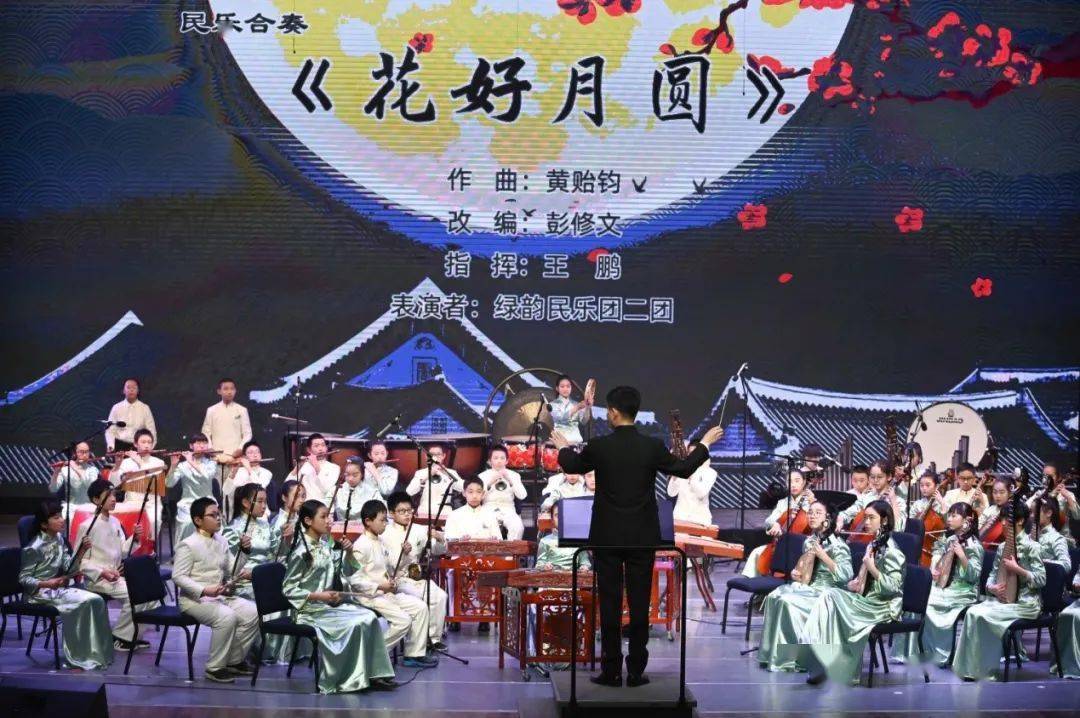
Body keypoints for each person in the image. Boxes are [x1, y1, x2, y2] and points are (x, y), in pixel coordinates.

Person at [552, 384, 724, 688]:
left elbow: (573, 465)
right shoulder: (651, 446)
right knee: (640, 604)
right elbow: (684, 468)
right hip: (642, 537)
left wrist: (563, 446)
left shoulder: (600, 446)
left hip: (607, 537)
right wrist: (705, 444)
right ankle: (635, 671)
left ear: (613, 412)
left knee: (609, 605)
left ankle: (611, 671)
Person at [282, 499, 396, 693]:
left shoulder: (325, 545)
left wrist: (349, 553)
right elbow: (288, 589)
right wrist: (320, 596)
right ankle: (347, 679)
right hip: (308, 612)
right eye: (323, 517)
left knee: (369, 617)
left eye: (329, 516)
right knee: (355, 623)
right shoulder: (301, 551)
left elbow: (344, 571)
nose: (329, 521)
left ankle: (373, 674)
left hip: (327, 607)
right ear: (308, 521)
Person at [800, 499, 906, 685]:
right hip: (867, 600)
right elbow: (862, 582)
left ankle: (816, 655)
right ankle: (819, 657)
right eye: (865, 518)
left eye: (871, 518)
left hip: (883, 607)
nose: (866, 522)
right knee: (830, 595)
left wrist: (872, 568)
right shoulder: (873, 544)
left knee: (830, 596)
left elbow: (894, 588)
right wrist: (855, 584)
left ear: (884, 520)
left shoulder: (892, 551)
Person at [953, 501, 1045, 680]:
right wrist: (991, 587)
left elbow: (1041, 579)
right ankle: (970, 669)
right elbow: (992, 575)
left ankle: (987, 671)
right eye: (1002, 519)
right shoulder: (1003, 547)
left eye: (1006, 519)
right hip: (1003, 600)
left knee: (985, 615)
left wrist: (1018, 570)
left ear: (1020, 521)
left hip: (1027, 603)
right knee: (972, 612)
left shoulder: (1033, 546)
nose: (1002, 523)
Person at [172, 497, 259, 683]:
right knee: (227, 617)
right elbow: (178, 577)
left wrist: (244, 551)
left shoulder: (221, 540)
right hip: (194, 601)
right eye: (213, 515)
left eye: (219, 514)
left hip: (219, 597)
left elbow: (232, 569)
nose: (218, 518)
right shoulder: (188, 544)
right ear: (198, 520)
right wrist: (204, 590)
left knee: (253, 612)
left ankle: (234, 661)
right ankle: (215, 667)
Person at [19, 500, 114, 669]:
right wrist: (47, 583)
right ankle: (80, 656)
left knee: (97, 600)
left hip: (56, 589)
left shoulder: (59, 540)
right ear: (44, 524)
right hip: (38, 594)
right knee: (85, 602)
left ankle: (99, 652)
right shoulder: (33, 547)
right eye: (56, 518)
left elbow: (69, 568)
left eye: (61, 516)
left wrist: (82, 551)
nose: (62, 520)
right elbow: (23, 579)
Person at [758, 501, 851, 673]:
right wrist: (796, 573)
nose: (812, 516)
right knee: (774, 596)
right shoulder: (810, 541)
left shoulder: (838, 546)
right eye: (810, 512)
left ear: (828, 519)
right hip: (809, 588)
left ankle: (790, 658)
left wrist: (824, 556)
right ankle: (770, 654)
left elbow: (845, 576)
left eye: (818, 513)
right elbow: (804, 569)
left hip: (828, 593)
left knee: (787, 602)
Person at [891, 502, 983, 666]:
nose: (949, 519)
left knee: (927, 601)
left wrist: (962, 556)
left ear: (967, 520)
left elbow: (974, 577)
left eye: (954, 515)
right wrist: (934, 566)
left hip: (963, 590)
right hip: (944, 585)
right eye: (949, 515)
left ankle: (935, 654)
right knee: (916, 596)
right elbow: (938, 550)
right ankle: (910, 652)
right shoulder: (951, 538)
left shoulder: (974, 545)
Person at [350, 500, 438, 667]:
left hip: (386, 593)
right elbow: (354, 579)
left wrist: (394, 573)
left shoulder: (380, 541)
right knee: (403, 621)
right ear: (368, 521)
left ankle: (414, 654)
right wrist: (379, 586)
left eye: (386, 520)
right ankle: (372, 656)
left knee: (420, 607)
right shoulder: (361, 545)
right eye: (382, 520)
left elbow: (388, 568)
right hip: (370, 596)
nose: (385, 523)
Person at [75, 479, 151, 651]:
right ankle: (120, 637)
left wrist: (134, 538)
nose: (113, 499)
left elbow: (123, 551)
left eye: (114, 495)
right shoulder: (87, 526)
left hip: (116, 577)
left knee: (148, 594)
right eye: (108, 495)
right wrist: (102, 572)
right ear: (96, 500)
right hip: (98, 579)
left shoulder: (115, 522)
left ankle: (132, 636)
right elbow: (80, 561)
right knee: (136, 595)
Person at [383, 491, 448, 648]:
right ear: (391, 513)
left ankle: (433, 638)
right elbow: (389, 564)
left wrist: (439, 538)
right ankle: (419, 640)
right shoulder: (385, 533)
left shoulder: (419, 529)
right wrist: (404, 554)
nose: (407, 514)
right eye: (402, 511)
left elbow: (438, 550)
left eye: (409, 510)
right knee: (424, 598)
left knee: (440, 596)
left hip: (416, 578)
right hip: (397, 579)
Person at [742, 469, 815, 579]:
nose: (793, 485)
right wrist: (776, 524)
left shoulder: (811, 502)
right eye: (790, 481)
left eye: (797, 481)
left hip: (801, 546)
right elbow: (768, 521)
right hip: (780, 544)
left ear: (804, 482)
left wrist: (812, 503)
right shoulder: (783, 503)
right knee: (756, 552)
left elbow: (818, 525)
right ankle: (752, 584)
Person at [223, 484, 281, 599]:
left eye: (265, 501)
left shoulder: (265, 525)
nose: (264, 506)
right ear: (245, 503)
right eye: (260, 501)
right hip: (245, 584)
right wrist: (252, 574)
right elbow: (230, 566)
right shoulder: (233, 528)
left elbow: (277, 553)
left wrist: (287, 539)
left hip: (266, 578)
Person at [166, 433, 219, 545]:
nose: (202, 446)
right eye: (198, 443)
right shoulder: (182, 466)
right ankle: (184, 551)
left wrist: (191, 461)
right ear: (191, 446)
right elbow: (169, 483)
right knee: (187, 522)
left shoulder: (212, 463)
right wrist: (173, 465)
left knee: (212, 522)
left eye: (204, 443)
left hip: (207, 503)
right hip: (187, 505)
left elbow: (206, 476)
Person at [111, 428, 165, 533]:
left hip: (151, 506)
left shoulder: (159, 463)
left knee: (153, 522)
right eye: (143, 442)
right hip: (131, 504)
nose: (147, 445)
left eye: (149, 442)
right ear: (135, 444)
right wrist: (117, 465)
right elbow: (114, 484)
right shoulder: (126, 462)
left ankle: (150, 544)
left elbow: (153, 484)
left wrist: (140, 462)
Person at [478, 445, 527, 540]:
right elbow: (478, 497)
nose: (499, 461)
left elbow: (522, 496)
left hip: (508, 508)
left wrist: (510, 480)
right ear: (490, 461)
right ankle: (496, 549)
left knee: (518, 527)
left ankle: (511, 549)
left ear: (507, 461)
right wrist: (490, 482)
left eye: (502, 458)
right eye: (495, 458)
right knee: (490, 528)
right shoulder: (482, 476)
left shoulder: (514, 475)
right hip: (488, 508)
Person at [837, 462, 902, 532]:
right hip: (865, 537)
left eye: (880, 477)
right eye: (872, 477)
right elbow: (847, 513)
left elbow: (899, 528)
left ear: (889, 477)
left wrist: (893, 500)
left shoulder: (898, 501)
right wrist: (840, 520)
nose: (875, 480)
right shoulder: (866, 497)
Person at [405, 444, 461, 519]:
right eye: (432, 454)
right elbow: (409, 491)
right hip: (424, 512)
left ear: (443, 456)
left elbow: (463, 488)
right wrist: (428, 475)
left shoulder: (451, 472)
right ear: (426, 456)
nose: (435, 457)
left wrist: (447, 474)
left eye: (438, 454)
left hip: (445, 513)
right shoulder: (420, 473)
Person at [201, 377, 252, 459]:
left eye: (232, 389)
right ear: (219, 391)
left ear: (235, 391)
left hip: (236, 455)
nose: (229, 392)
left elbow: (248, 433)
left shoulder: (242, 410)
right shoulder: (211, 410)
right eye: (226, 389)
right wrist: (210, 447)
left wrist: (241, 448)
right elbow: (205, 432)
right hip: (216, 455)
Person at [667, 444, 718, 526]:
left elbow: (701, 493)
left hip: (700, 520)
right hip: (680, 518)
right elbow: (671, 493)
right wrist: (674, 476)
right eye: (690, 453)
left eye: (695, 453)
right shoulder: (682, 470)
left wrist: (690, 475)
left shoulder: (710, 472)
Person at [106, 378, 156, 452]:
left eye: (134, 388)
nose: (131, 390)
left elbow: (151, 430)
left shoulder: (144, 408)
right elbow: (110, 430)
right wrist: (111, 445)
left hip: (139, 447)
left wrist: (150, 447)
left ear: (138, 391)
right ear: (124, 390)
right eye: (128, 387)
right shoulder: (116, 407)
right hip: (119, 447)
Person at [49, 441, 98, 517]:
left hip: (88, 508)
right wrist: (56, 473)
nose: (85, 455)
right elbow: (53, 489)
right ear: (75, 453)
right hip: (70, 509)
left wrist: (75, 468)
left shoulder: (93, 470)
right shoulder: (65, 470)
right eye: (81, 452)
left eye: (87, 452)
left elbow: (90, 486)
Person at [289, 433, 340, 505]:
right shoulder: (304, 466)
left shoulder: (334, 468)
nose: (320, 449)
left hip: (323, 507)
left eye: (323, 445)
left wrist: (316, 465)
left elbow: (325, 489)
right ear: (309, 450)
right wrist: (297, 467)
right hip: (304, 506)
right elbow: (288, 486)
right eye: (316, 446)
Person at [548, 374, 594, 445]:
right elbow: (561, 418)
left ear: (571, 388)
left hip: (576, 442)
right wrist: (577, 407)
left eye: (568, 386)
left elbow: (584, 421)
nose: (565, 389)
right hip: (560, 442)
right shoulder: (552, 405)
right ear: (557, 388)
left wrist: (588, 407)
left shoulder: (576, 404)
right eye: (562, 386)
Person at [1032, 496, 1072, 570]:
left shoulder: (1056, 538)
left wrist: (1043, 562)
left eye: (1036, 512)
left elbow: (1066, 565)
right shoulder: (1031, 535)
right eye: (1031, 512)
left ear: (1049, 513)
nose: (1032, 516)